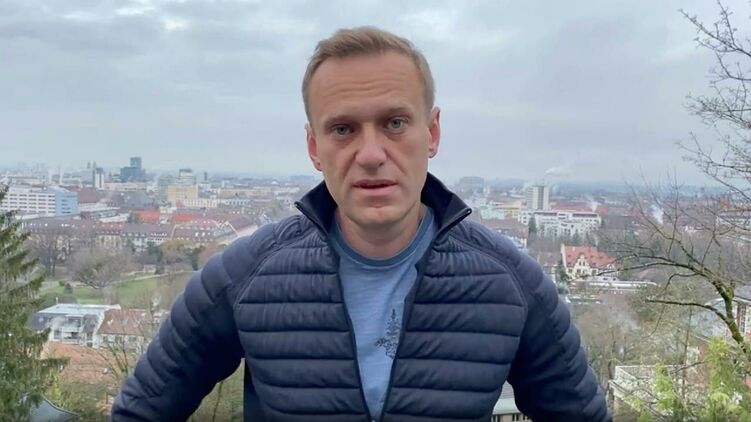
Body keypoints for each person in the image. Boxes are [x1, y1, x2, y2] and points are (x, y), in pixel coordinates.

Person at [112, 27, 610, 422]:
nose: (371, 154)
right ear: (314, 147)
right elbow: (141, 411)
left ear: (432, 132)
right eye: (343, 129)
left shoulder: (511, 285)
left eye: (395, 123)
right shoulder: (244, 277)